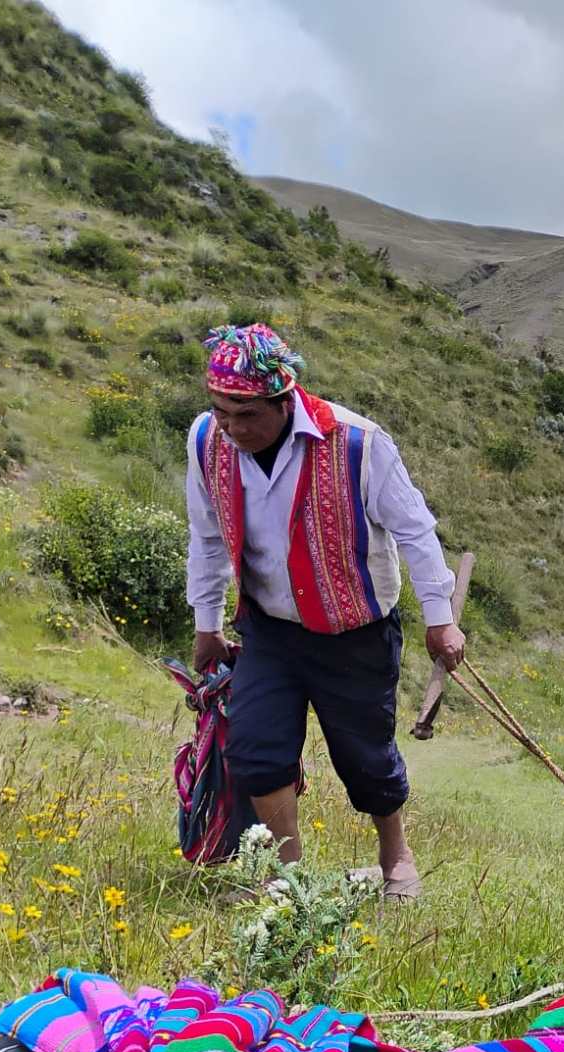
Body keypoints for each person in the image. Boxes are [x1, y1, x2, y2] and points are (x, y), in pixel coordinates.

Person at [184, 323, 463, 899]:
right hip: (270, 629)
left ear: (284, 402)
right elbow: (207, 536)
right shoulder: (207, 441)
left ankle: (395, 857)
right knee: (257, 752)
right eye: (222, 412)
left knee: (367, 760)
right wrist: (206, 623)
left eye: (247, 414)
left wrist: (440, 618)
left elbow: (415, 531)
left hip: (353, 631)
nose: (233, 429)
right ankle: (289, 880)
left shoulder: (359, 444)